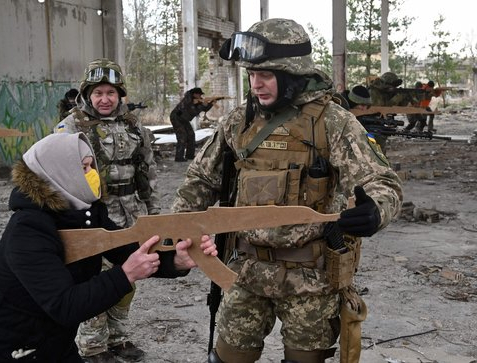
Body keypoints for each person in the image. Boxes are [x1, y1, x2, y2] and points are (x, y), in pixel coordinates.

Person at [171, 18, 403, 363]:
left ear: (292, 73)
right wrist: (174, 228)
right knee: (227, 357)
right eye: (251, 75)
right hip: (245, 271)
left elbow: (382, 182)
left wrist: (376, 211)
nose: (256, 85)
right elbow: (201, 181)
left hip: (311, 278)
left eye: (265, 75)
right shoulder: (239, 121)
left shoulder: (333, 122)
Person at [0, 132, 217, 362]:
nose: (91, 174)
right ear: (59, 173)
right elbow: (65, 304)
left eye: (91, 166)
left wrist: (175, 261)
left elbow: (128, 248)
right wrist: (125, 275)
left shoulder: (87, 212)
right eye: (83, 168)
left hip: (51, 341)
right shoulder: (28, 228)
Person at [54, 58, 159, 363]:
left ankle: (118, 338)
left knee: (127, 277)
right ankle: (93, 346)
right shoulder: (70, 126)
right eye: (98, 92)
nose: (104, 99)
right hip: (93, 217)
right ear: (87, 94)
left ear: (120, 94)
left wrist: (153, 214)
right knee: (94, 281)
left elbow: (147, 169)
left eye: (110, 93)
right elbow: (58, 175)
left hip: (130, 215)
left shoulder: (133, 124)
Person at [369, 71, 417, 153]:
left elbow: (397, 108)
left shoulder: (385, 91)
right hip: (370, 123)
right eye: (392, 86)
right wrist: (398, 97)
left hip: (379, 123)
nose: (393, 88)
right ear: (384, 83)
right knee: (376, 149)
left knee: (380, 147)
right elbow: (381, 108)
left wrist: (405, 97)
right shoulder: (373, 91)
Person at [169, 87, 215, 162]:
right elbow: (194, 110)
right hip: (177, 118)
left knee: (191, 135)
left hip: (184, 119)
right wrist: (204, 104)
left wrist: (211, 103)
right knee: (182, 136)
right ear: (195, 94)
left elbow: (204, 108)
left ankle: (189, 155)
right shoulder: (188, 100)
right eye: (199, 95)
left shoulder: (196, 101)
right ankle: (179, 157)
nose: (201, 96)